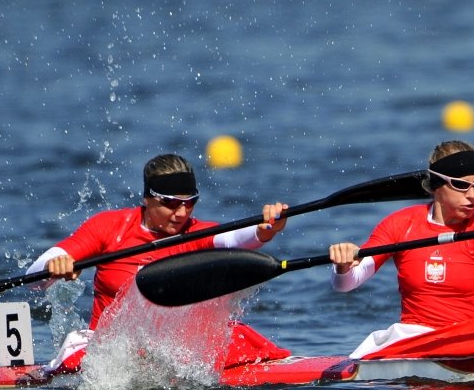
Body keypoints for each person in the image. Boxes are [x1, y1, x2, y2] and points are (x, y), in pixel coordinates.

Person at [27, 153, 289, 371]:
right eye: (171, 204)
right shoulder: (110, 228)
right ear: (148, 198)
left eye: (190, 203)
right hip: (111, 346)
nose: (182, 213)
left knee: (238, 336)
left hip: (174, 346)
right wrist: (56, 266)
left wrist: (266, 229)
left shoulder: (196, 232)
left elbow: (235, 239)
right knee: (77, 351)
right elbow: (35, 276)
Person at [328, 140, 474, 358]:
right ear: (437, 187)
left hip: (472, 341)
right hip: (414, 341)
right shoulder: (400, 224)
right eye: (461, 185)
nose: (472, 195)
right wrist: (343, 266)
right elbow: (347, 284)